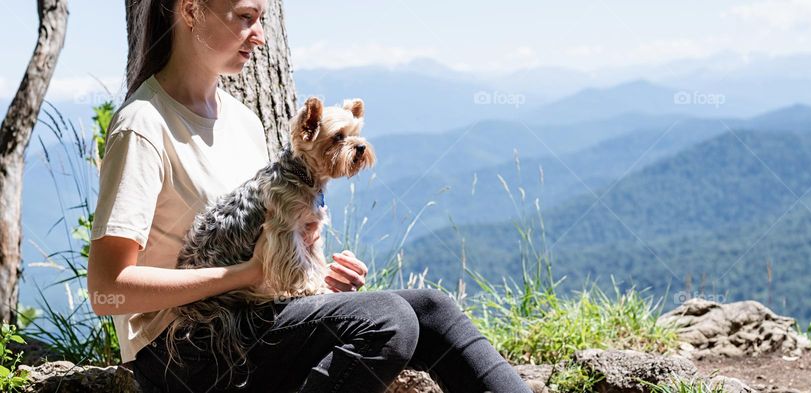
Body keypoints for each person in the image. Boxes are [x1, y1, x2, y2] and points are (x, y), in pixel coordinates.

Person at [86, 0, 532, 391]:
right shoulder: (143, 125)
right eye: (246, 17)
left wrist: (316, 275)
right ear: (189, 11)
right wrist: (245, 274)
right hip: (185, 350)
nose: (259, 36)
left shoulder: (243, 121)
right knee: (388, 319)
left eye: (261, 19)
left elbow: (269, 246)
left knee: (432, 308)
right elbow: (108, 289)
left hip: (255, 317)